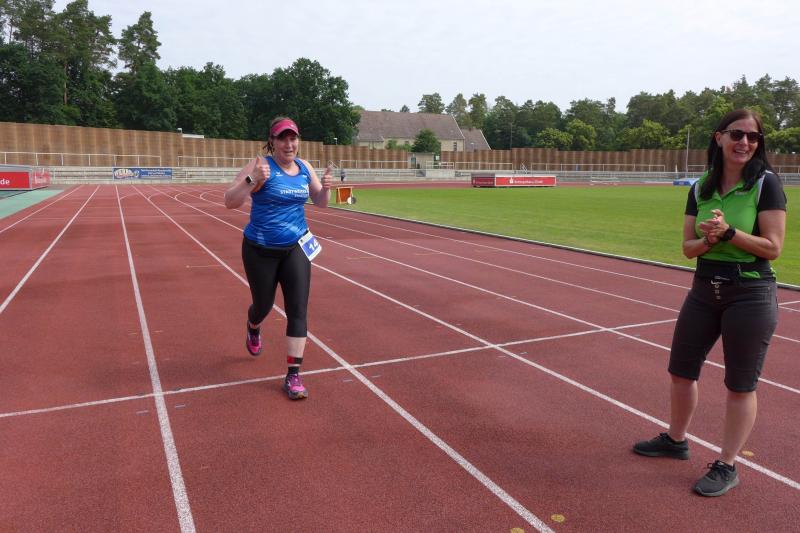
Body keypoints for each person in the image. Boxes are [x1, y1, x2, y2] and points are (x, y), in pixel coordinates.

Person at [633, 109, 787, 496]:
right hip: (704, 288)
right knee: (681, 371)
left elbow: (773, 248)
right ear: (719, 137)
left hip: (749, 292)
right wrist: (709, 240)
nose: (745, 143)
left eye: (753, 137)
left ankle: (727, 464)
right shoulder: (700, 187)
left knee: (740, 384)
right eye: (737, 134)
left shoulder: (766, 184)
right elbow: (688, 248)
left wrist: (730, 232)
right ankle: (675, 440)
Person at [224, 117, 332, 400]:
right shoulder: (260, 166)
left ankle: (293, 375)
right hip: (260, 250)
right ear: (272, 141)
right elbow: (230, 201)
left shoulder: (305, 167)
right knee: (263, 305)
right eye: (282, 138)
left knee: (298, 310)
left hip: (296, 247)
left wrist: (326, 188)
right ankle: (253, 326)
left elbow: (320, 202)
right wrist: (252, 179)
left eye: (293, 138)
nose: (289, 144)